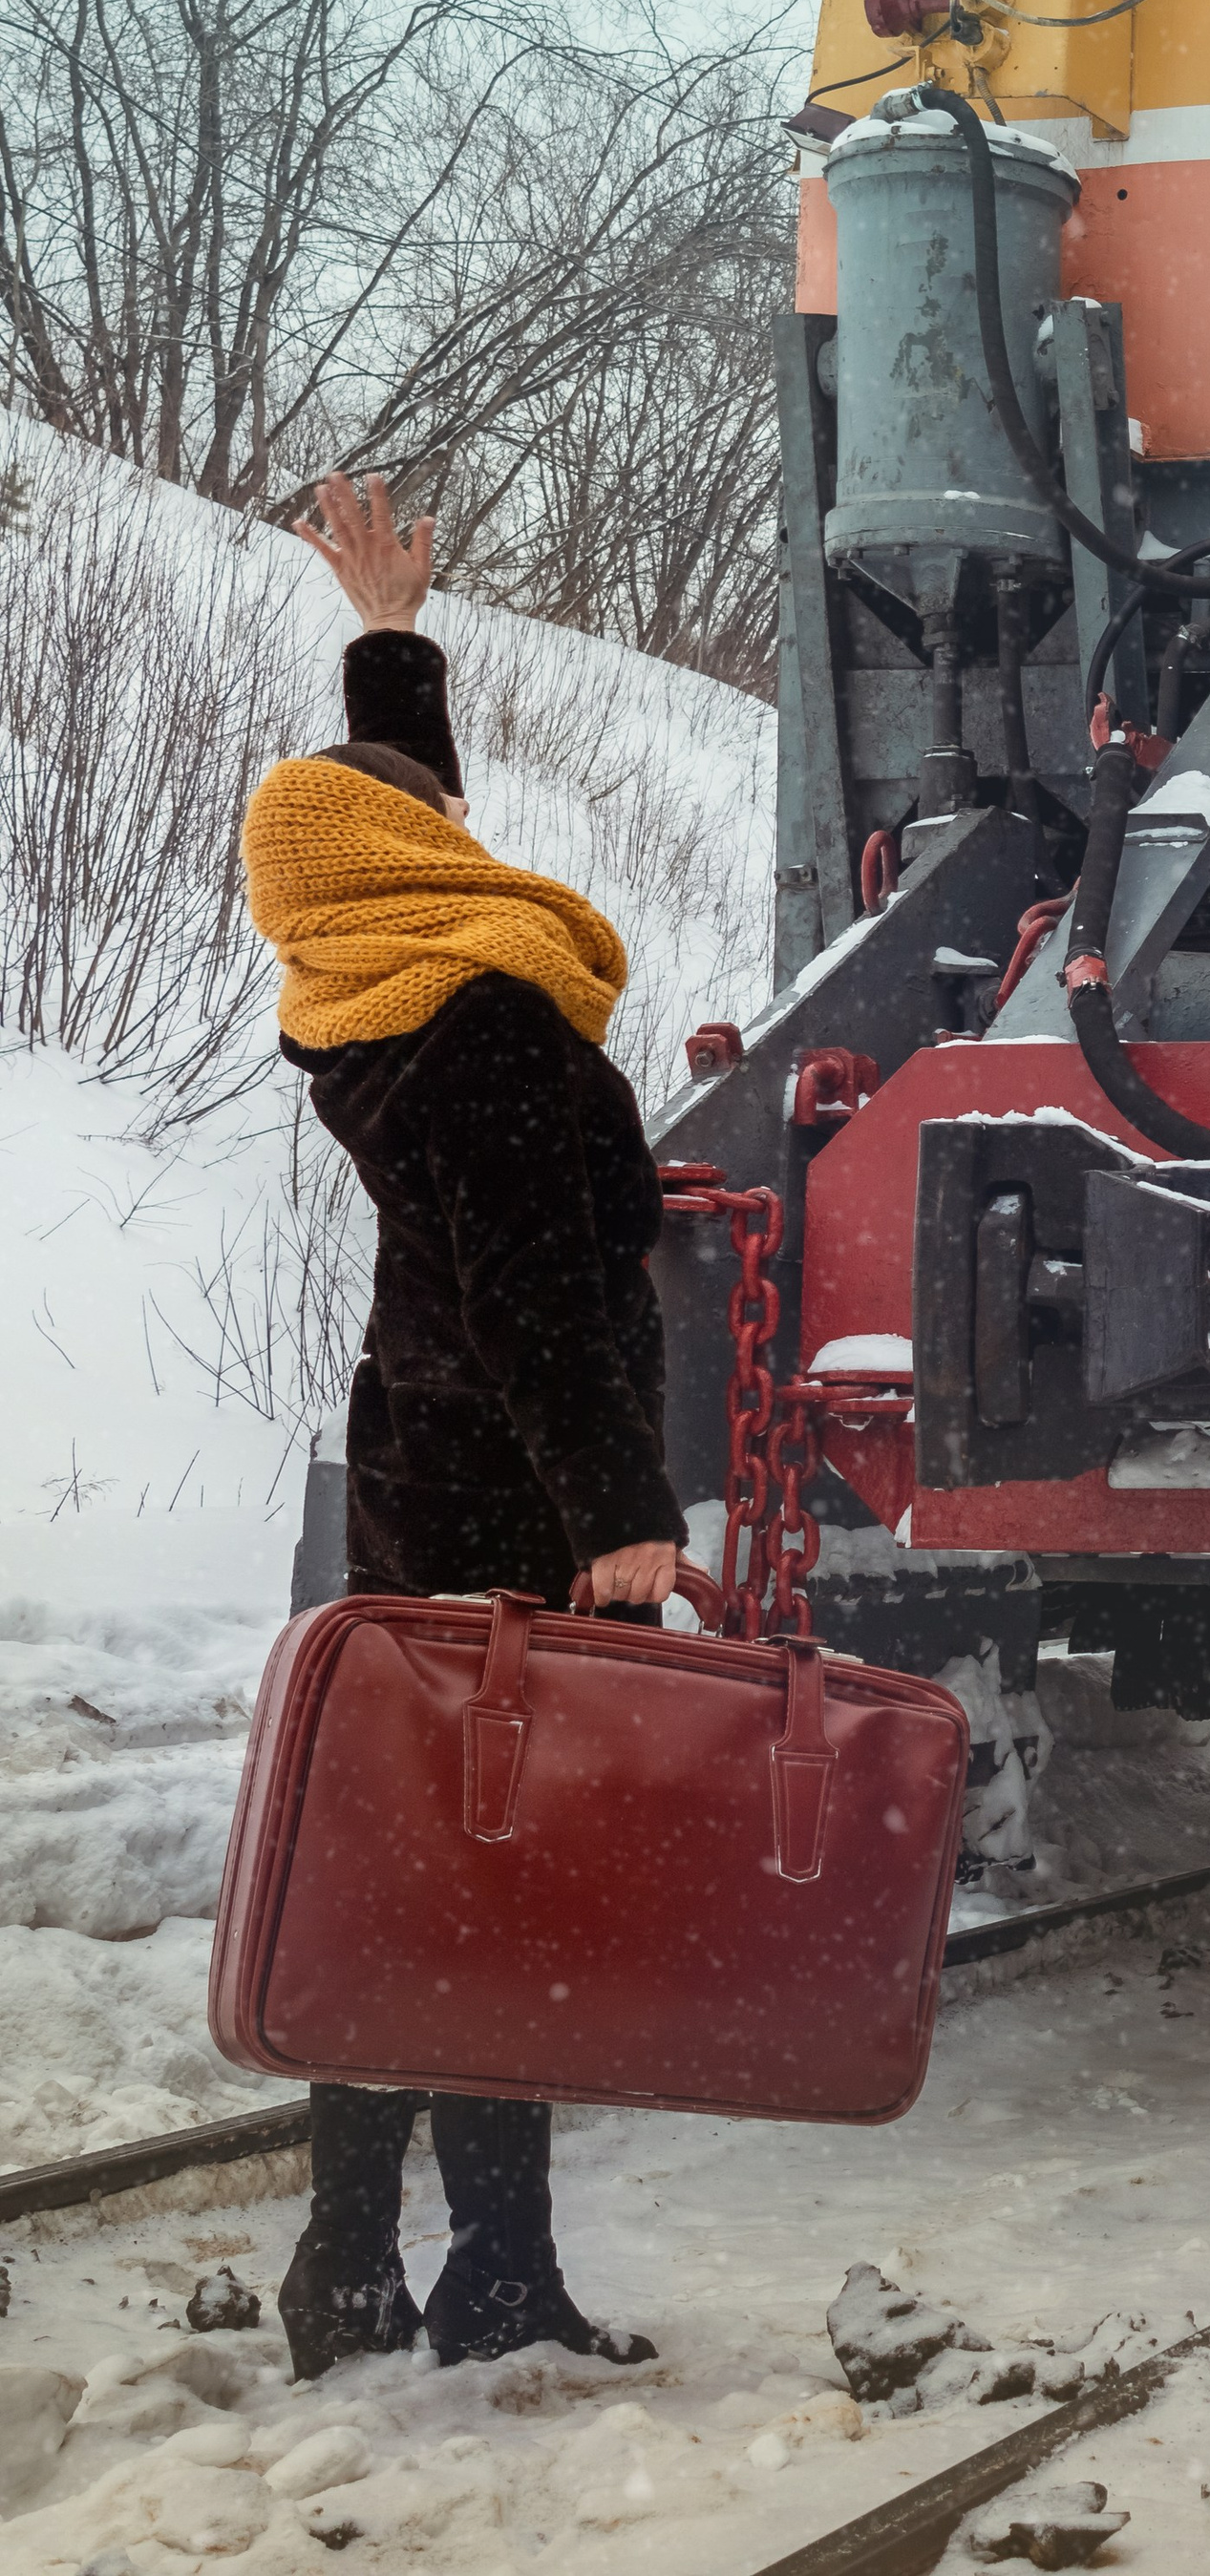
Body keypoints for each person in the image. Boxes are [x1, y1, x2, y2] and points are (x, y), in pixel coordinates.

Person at [242, 472, 687, 2382]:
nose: (454, 819)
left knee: (425, 1879)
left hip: (423, 1485)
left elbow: (385, 802)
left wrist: (386, 629)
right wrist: (622, 1513)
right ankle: (470, 2270)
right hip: (515, 1502)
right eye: (429, 815)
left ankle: (373, 2265)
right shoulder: (494, 1028)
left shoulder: (383, 990)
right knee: (489, 1892)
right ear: (397, 863)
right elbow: (538, 1300)